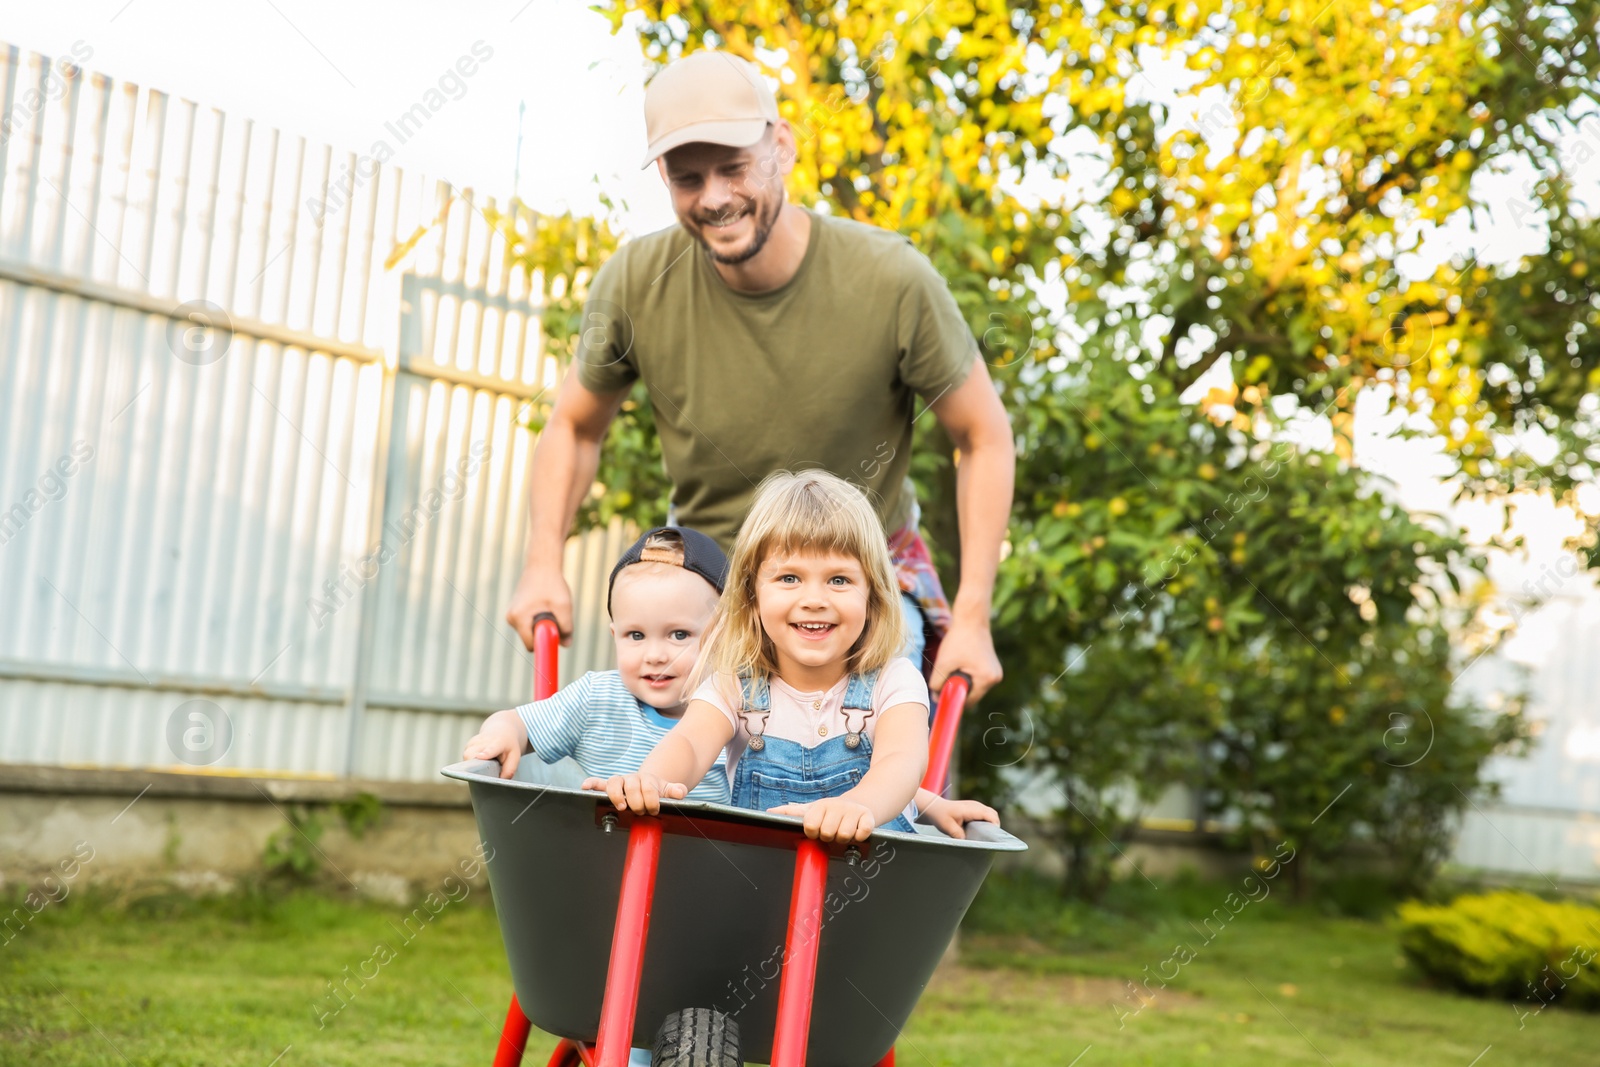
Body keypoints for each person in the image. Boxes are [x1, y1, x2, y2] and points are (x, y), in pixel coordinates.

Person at [505, 49, 1015, 703]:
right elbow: (574, 428)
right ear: (663, 176)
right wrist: (542, 563)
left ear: (782, 147)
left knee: (872, 749)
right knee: (670, 774)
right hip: (712, 579)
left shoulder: (891, 280)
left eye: (734, 168)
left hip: (853, 581)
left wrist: (972, 615)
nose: (714, 198)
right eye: (688, 178)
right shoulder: (636, 282)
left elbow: (984, 436)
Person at [587, 471, 997, 842]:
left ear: (872, 596)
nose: (814, 600)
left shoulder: (893, 681)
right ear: (752, 594)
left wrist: (859, 805)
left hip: (867, 885)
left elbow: (900, 762)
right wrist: (652, 780)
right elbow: (691, 744)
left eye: (839, 579)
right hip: (768, 881)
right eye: (789, 578)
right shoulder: (735, 685)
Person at [464, 526, 732, 799]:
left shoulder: (736, 715)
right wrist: (502, 734)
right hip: (594, 840)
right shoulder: (597, 698)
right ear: (615, 636)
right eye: (636, 635)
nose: (654, 655)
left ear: (722, 639)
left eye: (678, 635)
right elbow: (514, 722)